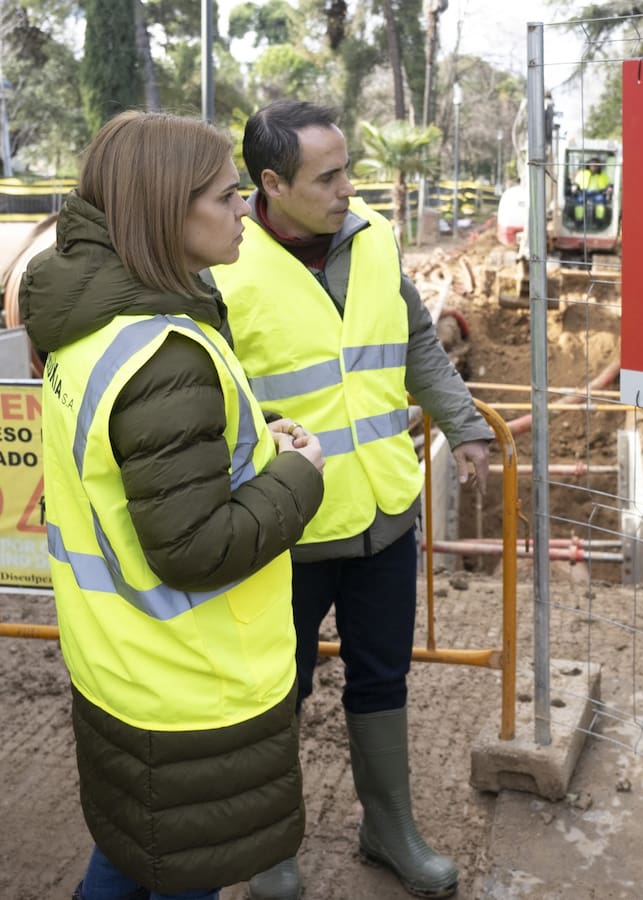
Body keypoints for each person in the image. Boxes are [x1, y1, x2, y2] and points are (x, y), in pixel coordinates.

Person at [18, 111, 325, 899]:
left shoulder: (88, 325)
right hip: (191, 683)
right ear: (165, 209)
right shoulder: (161, 352)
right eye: (226, 197)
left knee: (133, 854)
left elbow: (138, 482)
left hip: (121, 662)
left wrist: (257, 449)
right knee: (182, 867)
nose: (244, 215)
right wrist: (299, 475)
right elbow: (194, 546)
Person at [206, 99, 492, 900]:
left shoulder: (371, 237)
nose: (347, 188)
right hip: (282, 528)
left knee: (382, 677)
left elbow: (414, 342)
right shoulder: (220, 263)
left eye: (347, 169)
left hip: (382, 517)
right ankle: (268, 847)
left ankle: (388, 829)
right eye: (327, 176)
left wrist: (462, 423)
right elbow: (210, 391)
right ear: (271, 182)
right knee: (276, 687)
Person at [572, 157, 612, 227]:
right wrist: (574, 187)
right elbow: (576, 182)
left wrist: (609, 188)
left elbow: (608, 184)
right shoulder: (582, 173)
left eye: (596, 165)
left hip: (597, 193)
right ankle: (579, 220)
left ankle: (599, 221)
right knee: (580, 200)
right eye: (592, 165)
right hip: (584, 192)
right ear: (589, 165)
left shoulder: (603, 175)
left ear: (599, 166)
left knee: (600, 201)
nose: (594, 167)